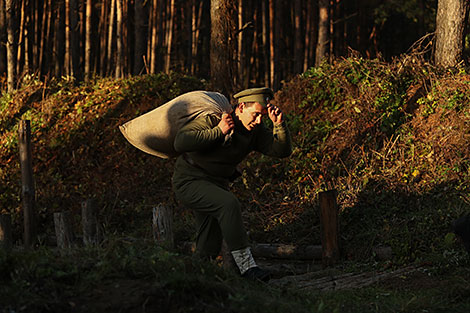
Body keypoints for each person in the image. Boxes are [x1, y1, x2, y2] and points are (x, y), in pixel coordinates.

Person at [171, 87, 292, 281]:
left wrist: (279, 125)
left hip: (216, 184)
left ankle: (193, 283)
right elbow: (180, 142)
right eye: (255, 115)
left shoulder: (255, 131)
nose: (259, 121)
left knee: (208, 245)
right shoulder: (214, 119)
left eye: (262, 116)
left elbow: (281, 150)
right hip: (190, 180)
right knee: (228, 204)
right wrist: (219, 131)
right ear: (241, 107)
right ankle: (247, 268)